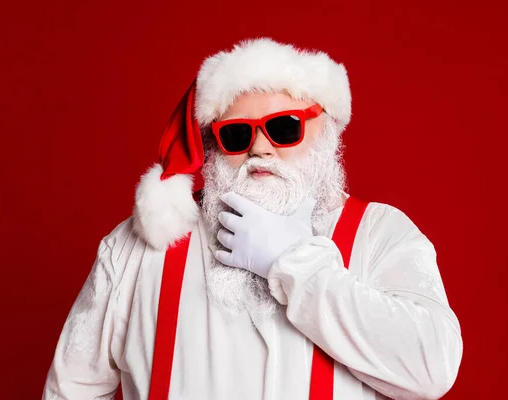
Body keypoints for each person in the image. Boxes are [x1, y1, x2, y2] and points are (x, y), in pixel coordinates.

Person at [42, 38, 463, 400]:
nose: (260, 148)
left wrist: (296, 262)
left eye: (284, 128)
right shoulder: (137, 248)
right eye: (238, 134)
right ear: (212, 145)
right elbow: (71, 387)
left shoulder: (380, 235)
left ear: (327, 129)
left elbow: (431, 368)